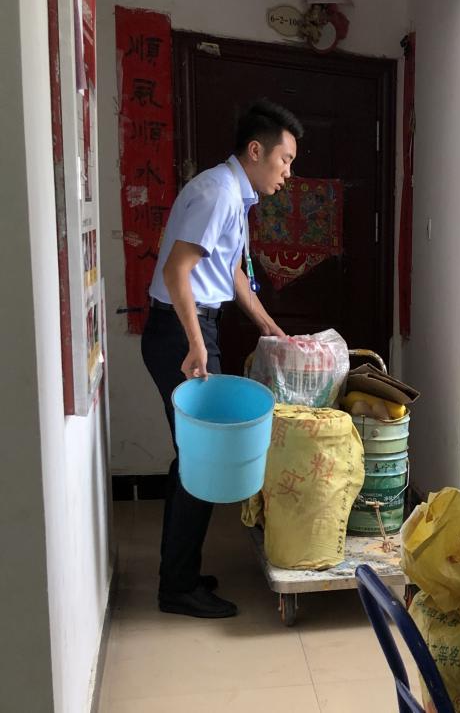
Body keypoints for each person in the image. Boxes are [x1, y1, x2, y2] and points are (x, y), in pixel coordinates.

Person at [141, 98, 301, 618]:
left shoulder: (234, 194)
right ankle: (177, 587)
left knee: (193, 457)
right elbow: (177, 272)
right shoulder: (217, 193)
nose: (287, 173)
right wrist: (195, 343)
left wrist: (270, 327)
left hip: (190, 327)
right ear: (256, 151)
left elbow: (229, 272)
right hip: (181, 331)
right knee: (201, 461)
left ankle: (180, 573)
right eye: (284, 160)